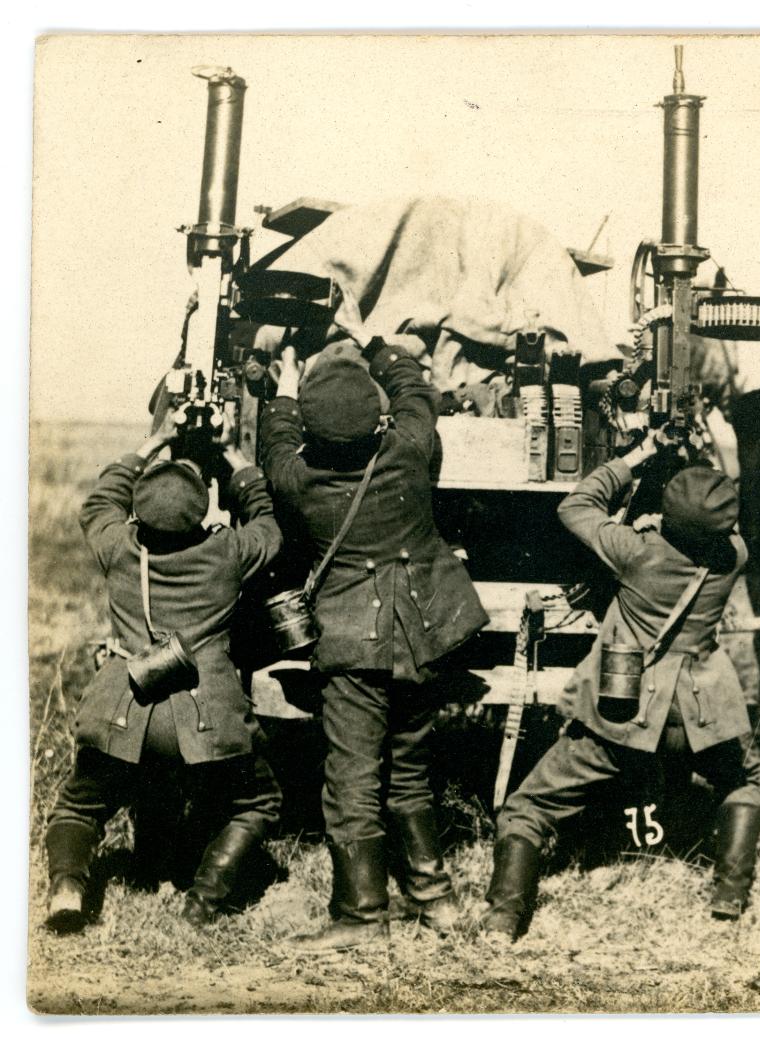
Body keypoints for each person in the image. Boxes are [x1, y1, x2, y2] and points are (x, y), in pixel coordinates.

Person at [481, 434, 760, 942]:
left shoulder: (636, 553)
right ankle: (729, 896)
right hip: (698, 718)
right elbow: (720, 535)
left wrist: (632, 460)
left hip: (626, 711)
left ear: (668, 519)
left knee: (530, 806)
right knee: (742, 784)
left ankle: (504, 919)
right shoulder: (734, 557)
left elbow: (577, 505)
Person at [262, 337, 489, 953]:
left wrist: (286, 380)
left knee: (352, 778)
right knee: (410, 766)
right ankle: (433, 896)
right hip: (423, 635)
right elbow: (420, 395)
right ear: (377, 416)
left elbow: (274, 437)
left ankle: (362, 916)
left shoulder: (298, 480)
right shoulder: (412, 452)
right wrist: (383, 352)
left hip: (353, 645)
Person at [43, 412, 284, 933]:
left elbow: (98, 504)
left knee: (80, 805)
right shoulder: (225, 552)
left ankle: (66, 887)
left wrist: (152, 442)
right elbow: (268, 525)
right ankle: (202, 900)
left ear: (139, 513)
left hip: (122, 710)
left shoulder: (119, 548)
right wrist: (239, 462)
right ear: (200, 513)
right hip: (203, 721)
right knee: (259, 801)